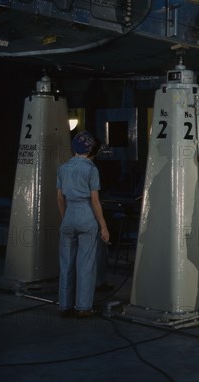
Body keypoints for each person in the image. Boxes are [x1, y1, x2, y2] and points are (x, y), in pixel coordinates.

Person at [57, 131, 110, 318]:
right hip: (86, 216)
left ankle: (64, 305)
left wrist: (66, 219)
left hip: (69, 215)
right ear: (92, 151)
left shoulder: (63, 168)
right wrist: (103, 226)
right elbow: (95, 201)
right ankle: (83, 307)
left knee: (66, 264)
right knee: (86, 263)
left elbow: (59, 198)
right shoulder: (91, 169)